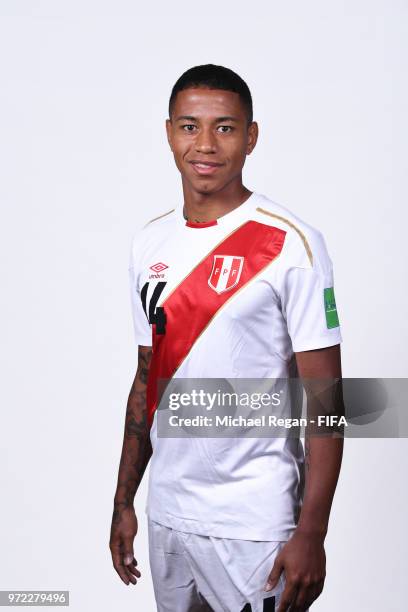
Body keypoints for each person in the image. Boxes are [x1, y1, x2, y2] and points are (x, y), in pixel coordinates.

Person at [109, 64, 344, 612]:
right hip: (169, 515)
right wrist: (124, 501)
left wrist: (312, 532)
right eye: (190, 127)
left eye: (225, 127)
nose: (206, 145)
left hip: (253, 522)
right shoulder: (149, 243)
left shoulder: (292, 243)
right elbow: (148, 378)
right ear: (169, 132)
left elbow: (328, 400)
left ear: (251, 137)